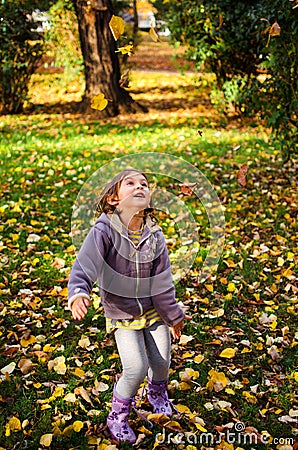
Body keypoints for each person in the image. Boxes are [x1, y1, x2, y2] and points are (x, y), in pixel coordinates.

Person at [68, 168, 190, 444]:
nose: (139, 187)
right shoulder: (104, 231)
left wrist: (173, 315)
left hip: (153, 311)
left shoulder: (155, 236)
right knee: (136, 367)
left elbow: (162, 282)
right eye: (130, 183)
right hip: (122, 313)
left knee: (161, 362)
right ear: (113, 198)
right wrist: (78, 292)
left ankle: (157, 392)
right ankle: (118, 415)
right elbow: (85, 265)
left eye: (144, 184)